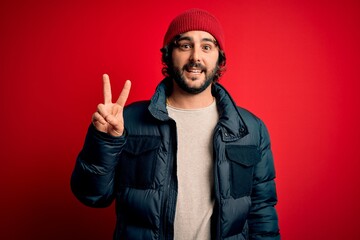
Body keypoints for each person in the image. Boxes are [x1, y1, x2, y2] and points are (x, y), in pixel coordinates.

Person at [71, 8, 280, 240]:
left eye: (206, 46)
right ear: (169, 54)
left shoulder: (250, 130)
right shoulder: (127, 121)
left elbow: (262, 212)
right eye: (185, 45)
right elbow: (92, 196)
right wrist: (105, 140)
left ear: (219, 57)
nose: (196, 58)